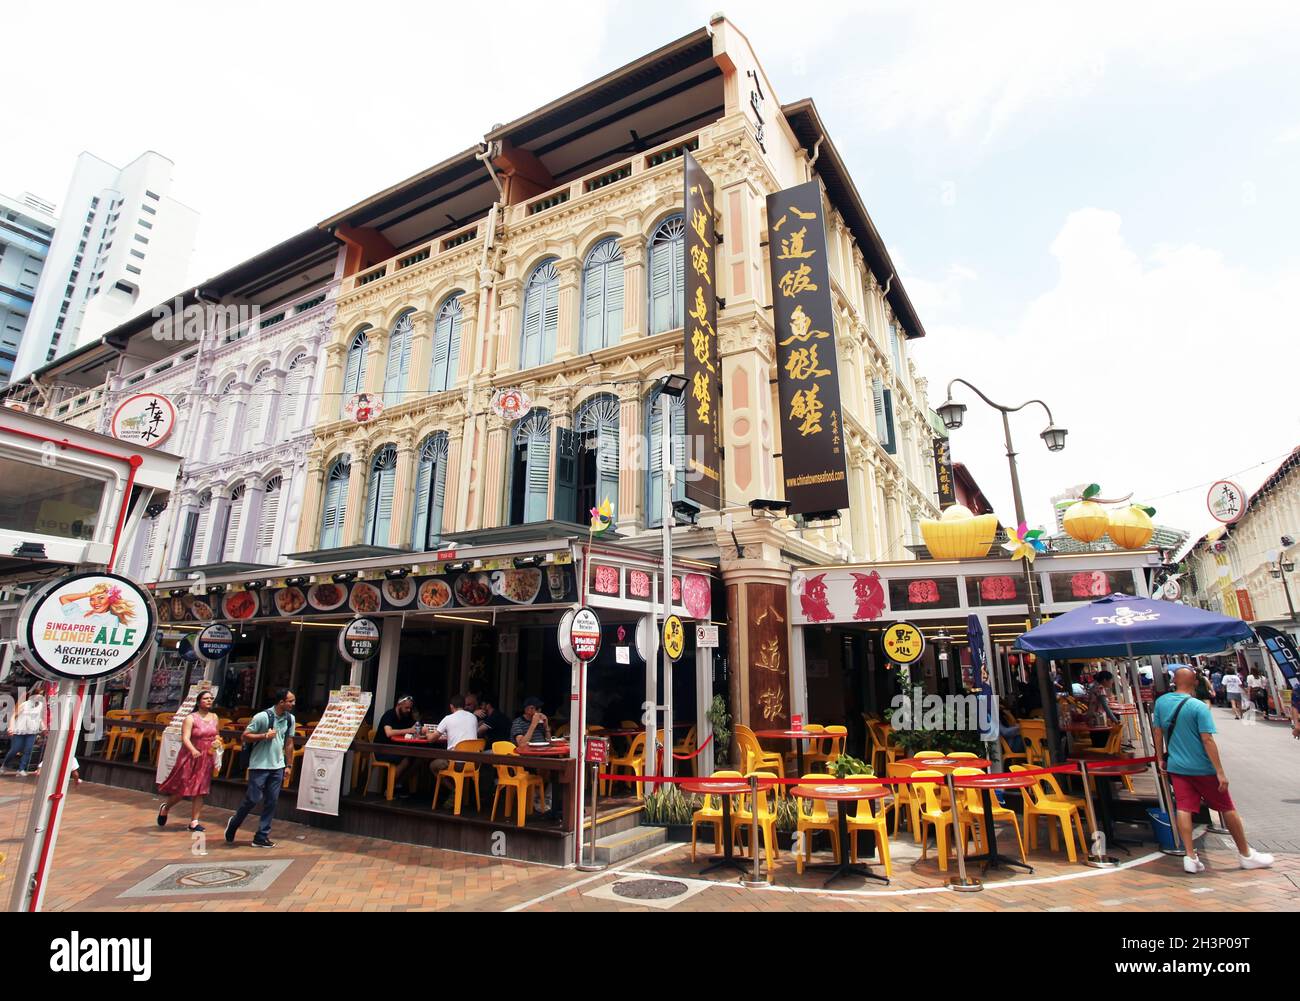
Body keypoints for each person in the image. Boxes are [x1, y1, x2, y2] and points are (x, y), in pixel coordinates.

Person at [1152, 668, 1273, 874]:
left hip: (1177, 767)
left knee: (1183, 808)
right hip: (1202, 766)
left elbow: (1157, 732)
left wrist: (1160, 758)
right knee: (1227, 807)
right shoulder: (1198, 707)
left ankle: (1189, 856)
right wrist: (1220, 771)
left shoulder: (1161, 703)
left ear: (1174, 682)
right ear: (1195, 683)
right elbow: (1207, 739)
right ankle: (1245, 853)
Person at [225, 689, 296, 849]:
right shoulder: (262, 717)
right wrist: (264, 736)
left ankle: (261, 835)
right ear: (281, 702)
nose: (293, 704)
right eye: (290, 701)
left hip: (277, 766)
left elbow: (289, 742)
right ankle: (235, 822)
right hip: (260, 764)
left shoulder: (290, 719)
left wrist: (289, 765)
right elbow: (245, 736)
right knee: (253, 798)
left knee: (272, 801)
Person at [157, 690, 220, 831]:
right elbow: (185, 737)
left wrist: (217, 743)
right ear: (198, 702)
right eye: (206, 698)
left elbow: (216, 734)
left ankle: (194, 821)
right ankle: (166, 807)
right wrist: (192, 750)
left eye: (211, 698)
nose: (209, 700)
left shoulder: (215, 717)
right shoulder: (191, 718)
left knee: (200, 789)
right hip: (190, 755)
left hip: (206, 756)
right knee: (183, 788)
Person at [373, 696, 421, 796]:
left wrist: (417, 721)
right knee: (405, 759)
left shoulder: (405, 716)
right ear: (399, 705)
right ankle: (389, 788)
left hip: (397, 749)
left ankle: (398, 784)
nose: (408, 710)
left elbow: (414, 728)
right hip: (383, 749)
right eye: (406, 708)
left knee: (418, 759)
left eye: (410, 708)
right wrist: (408, 730)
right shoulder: (389, 715)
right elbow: (388, 733)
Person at [428, 693, 481, 781]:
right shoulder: (473, 717)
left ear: (451, 706)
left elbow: (431, 739)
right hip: (473, 763)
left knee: (433, 765)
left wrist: (426, 732)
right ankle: (460, 792)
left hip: (456, 764)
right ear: (464, 706)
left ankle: (454, 790)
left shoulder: (448, 718)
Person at [2, 687, 46, 776]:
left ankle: (21, 769)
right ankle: (4, 765)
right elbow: (14, 715)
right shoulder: (25, 704)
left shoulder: (41, 706)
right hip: (19, 730)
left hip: (32, 731)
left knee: (28, 750)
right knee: (15, 749)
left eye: (41, 695)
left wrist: (43, 728)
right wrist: (11, 727)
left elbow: (39, 718)